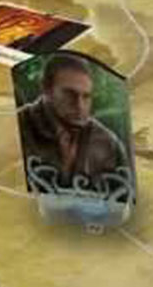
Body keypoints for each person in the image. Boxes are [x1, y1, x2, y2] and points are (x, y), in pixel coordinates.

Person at [17, 53, 130, 194]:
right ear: (46, 89)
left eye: (86, 97)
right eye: (69, 94)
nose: (80, 106)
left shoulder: (108, 143)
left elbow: (124, 195)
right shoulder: (18, 126)